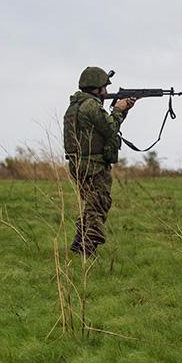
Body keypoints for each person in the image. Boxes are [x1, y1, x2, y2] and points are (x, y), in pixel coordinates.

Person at [62, 66, 136, 255]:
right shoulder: (91, 106)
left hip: (78, 165)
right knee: (98, 205)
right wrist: (120, 110)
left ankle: (79, 245)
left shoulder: (75, 106)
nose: (107, 92)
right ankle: (87, 252)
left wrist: (122, 111)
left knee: (91, 206)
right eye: (104, 87)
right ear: (98, 89)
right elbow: (110, 128)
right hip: (94, 166)